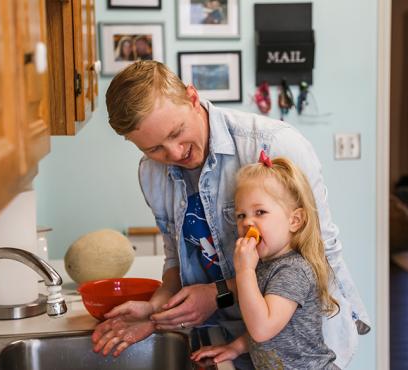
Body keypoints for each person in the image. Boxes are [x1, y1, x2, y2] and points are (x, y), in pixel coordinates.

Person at [91, 61, 370, 369]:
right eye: (155, 148)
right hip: (233, 343)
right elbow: (175, 261)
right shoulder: (150, 174)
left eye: (177, 132)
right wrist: (158, 308)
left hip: (301, 351)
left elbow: (317, 257)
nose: (174, 153)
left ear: (192, 97)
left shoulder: (274, 144)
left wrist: (218, 293)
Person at [191, 154, 341, 369]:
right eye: (241, 215)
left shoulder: (292, 270)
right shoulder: (265, 265)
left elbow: (262, 329)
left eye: (260, 212)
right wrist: (235, 348)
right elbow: (274, 333)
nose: (247, 222)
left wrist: (244, 271)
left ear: (294, 220)